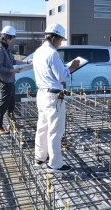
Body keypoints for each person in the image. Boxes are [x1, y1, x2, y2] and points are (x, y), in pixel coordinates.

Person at [33, 23, 80, 173]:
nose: (60, 43)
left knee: (42, 128)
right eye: (60, 40)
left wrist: (65, 68)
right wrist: (72, 67)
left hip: (41, 94)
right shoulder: (52, 53)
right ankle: (55, 164)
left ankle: (40, 158)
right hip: (53, 96)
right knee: (55, 131)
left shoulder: (38, 51)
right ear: (54, 38)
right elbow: (61, 76)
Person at [0, 25, 33, 134]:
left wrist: (27, 62)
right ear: (5, 37)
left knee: (11, 103)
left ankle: (12, 123)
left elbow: (13, 61)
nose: (12, 40)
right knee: (3, 103)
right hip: (4, 80)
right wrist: (12, 71)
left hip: (10, 80)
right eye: (11, 38)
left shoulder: (5, 47)